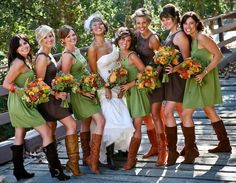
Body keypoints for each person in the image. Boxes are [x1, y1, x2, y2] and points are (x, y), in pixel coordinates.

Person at [3, 34, 70, 181]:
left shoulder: (24, 60)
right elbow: (6, 84)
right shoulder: (18, 63)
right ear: (15, 49)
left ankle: (19, 171)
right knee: (46, 132)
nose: (24, 46)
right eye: (20, 45)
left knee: (19, 134)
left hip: (23, 102)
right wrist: (24, 92)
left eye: (25, 43)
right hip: (20, 103)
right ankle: (57, 170)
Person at [180, 11, 232, 162]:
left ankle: (191, 150)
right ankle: (224, 143)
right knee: (209, 110)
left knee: (186, 114)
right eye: (185, 23)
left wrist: (204, 72)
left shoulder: (202, 37)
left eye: (191, 23)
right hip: (196, 78)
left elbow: (218, 55)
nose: (188, 26)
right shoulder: (191, 39)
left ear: (196, 23)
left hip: (204, 78)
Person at [86, 12, 134, 170]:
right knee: (110, 120)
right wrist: (104, 88)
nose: (98, 26)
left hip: (117, 85)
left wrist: (121, 79)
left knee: (123, 117)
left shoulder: (111, 43)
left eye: (100, 24)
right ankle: (109, 156)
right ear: (92, 30)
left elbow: (118, 61)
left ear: (104, 26)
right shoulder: (92, 49)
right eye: (95, 25)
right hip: (103, 88)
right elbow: (94, 73)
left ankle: (121, 149)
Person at [34, 25, 83, 176]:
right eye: (46, 37)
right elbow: (40, 83)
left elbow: (55, 73)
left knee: (51, 130)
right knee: (72, 124)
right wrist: (55, 93)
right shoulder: (42, 57)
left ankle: (54, 166)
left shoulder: (48, 55)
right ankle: (73, 164)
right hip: (49, 99)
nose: (50, 39)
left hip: (53, 98)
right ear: (40, 40)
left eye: (51, 35)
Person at [58, 25, 106, 174]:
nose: (72, 38)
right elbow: (65, 79)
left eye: (73, 35)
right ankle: (93, 160)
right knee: (101, 121)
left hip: (88, 90)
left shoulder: (76, 50)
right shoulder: (67, 55)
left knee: (86, 123)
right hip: (80, 94)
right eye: (68, 37)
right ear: (62, 41)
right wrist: (83, 92)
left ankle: (87, 157)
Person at [131, 8, 166, 166]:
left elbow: (162, 59)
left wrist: (154, 77)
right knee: (146, 116)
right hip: (142, 80)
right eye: (138, 23)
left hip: (154, 80)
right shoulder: (136, 35)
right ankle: (154, 147)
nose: (141, 25)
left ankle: (163, 151)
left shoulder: (153, 39)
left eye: (144, 22)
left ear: (149, 22)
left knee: (155, 114)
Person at [159, 4, 191, 165]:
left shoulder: (180, 36)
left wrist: (175, 68)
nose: (165, 22)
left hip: (178, 79)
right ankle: (190, 147)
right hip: (170, 79)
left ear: (175, 19)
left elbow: (188, 60)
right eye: (163, 20)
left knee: (167, 112)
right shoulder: (170, 34)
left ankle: (173, 151)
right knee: (180, 112)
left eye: (168, 19)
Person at [115, 27, 150, 170]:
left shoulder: (132, 56)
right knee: (129, 127)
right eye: (123, 39)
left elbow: (147, 73)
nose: (126, 42)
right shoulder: (117, 56)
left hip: (137, 92)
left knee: (136, 128)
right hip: (126, 95)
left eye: (129, 40)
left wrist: (130, 84)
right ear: (117, 40)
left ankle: (131, 160)